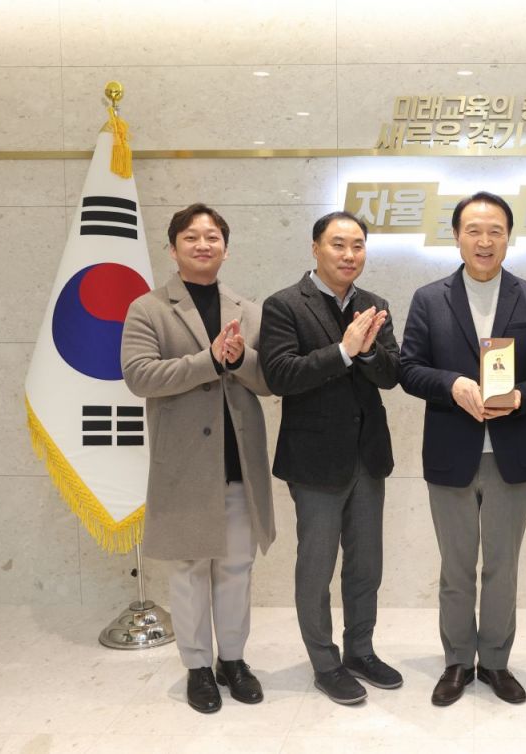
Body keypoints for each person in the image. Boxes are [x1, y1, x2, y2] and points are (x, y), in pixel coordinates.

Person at [400, 191, 526, 706]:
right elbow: (408, 368)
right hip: (450, 452)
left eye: (495, 230)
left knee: (502, 567)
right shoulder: (429, 299)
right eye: (473, 230)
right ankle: (457, 661)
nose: (484, 240)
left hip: (510, 455)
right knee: (455, 568)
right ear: (456, 236)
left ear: (508, 237)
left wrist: (520, 396)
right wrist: (451, 384)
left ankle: (494, 661)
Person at [121, 203, 274, 714]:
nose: (203, 244)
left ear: (226, 249)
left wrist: (240, 358)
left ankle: (233, 660)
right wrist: (208, 360)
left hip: (238, 461)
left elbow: (268, 380)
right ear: (173, 248)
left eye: (213, 237)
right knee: (189, 568)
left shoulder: (248, 309)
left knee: (236, 566)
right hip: (185, 463)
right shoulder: (148, 308)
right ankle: (197, 667)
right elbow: (140, 375)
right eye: (191, 237)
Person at [259, 211, 401, 705]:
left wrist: (368, 352)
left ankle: (360, 650)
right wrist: (343, 350)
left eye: (358, 245)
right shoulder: (284, 305)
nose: (349, 254)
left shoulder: (375, 305)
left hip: (368, 457)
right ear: (315, 248)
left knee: (366, 566)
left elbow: (391, 375)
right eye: (338, 244)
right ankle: (325, 662)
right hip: (314, 461)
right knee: (316, 567)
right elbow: (279, 375)